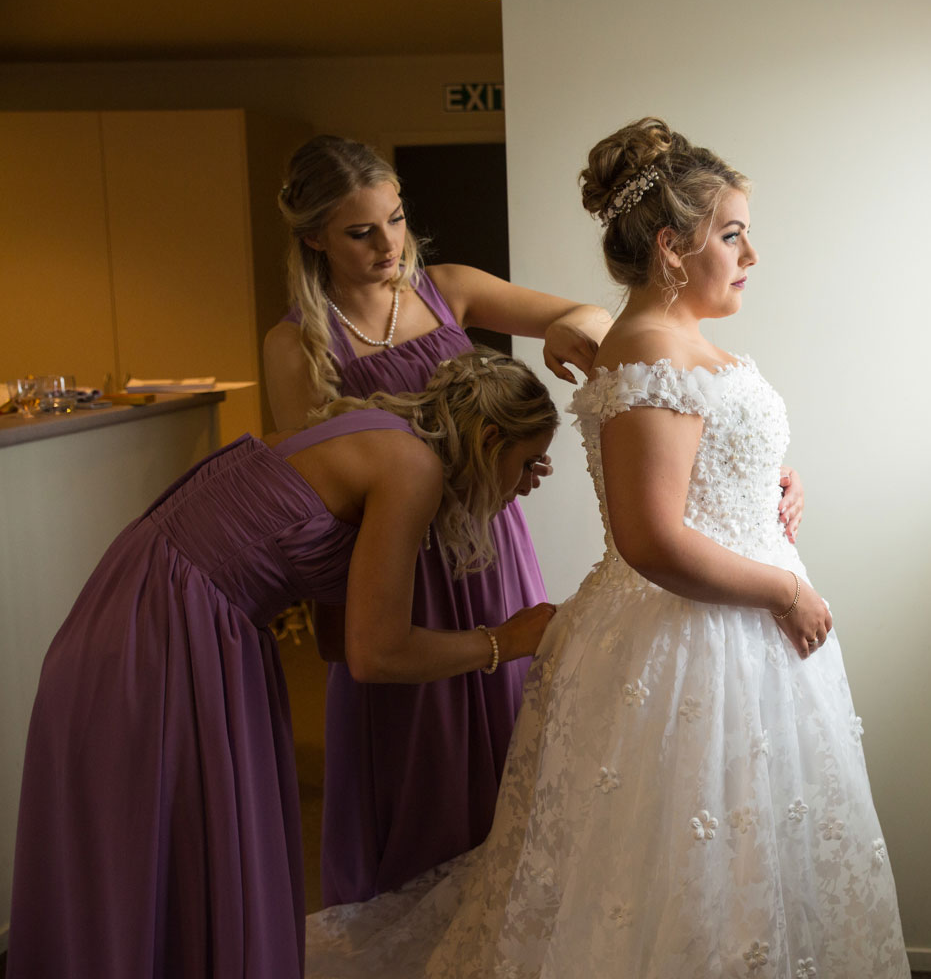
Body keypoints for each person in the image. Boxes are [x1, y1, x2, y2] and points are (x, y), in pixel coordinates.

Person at [305, 118, 909, 978]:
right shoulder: (650, 352)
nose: (751, 253)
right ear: (671, 247)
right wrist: (784, 594)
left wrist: (771, 479)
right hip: (695, 642)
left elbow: (705, 462)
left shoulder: (676, 342)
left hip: (735, 630)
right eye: (731, 234)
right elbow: (651, 538)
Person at [6, 351, 560, 978]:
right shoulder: (412, 467)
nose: (526, 483)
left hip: (139, 611)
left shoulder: (373, 433)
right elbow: (374, 654)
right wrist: (505, 641)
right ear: (488, 438)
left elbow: (333, 639)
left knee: (161, 854)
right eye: (524, 462)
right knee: (154, 848)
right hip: (165, 636)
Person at [261, 134, 617, 907]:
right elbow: (315, 499)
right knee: (417, 755)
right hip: (396, 568)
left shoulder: (446, 289)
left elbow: (594, 314)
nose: (389, 244)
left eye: (395, 219)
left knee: (512, 731)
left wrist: (561, 335)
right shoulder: (296, 344)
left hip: (489, 555)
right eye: (362, 231)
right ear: (315, 235)